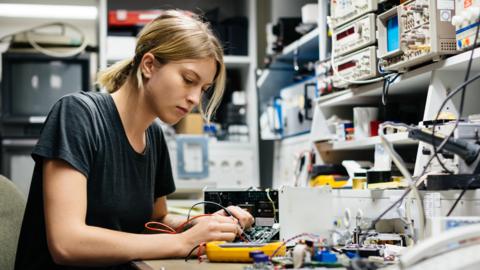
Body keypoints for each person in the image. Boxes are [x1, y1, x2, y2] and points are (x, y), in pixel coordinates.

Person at [15, 10, 254, 270]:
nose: (195, 99)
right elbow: (67, 243)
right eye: (188, 80)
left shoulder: (154, 136)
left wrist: (200, 223)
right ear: (149, 65)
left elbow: (156, 219)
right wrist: (184, 242)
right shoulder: (78, 114)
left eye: (203, 89)